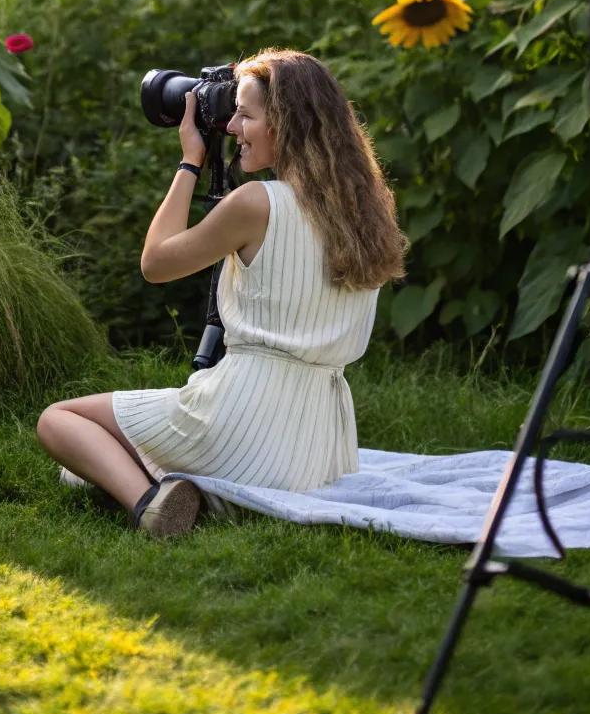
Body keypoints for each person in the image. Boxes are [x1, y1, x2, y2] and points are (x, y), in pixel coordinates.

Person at [36, 47, 407, 538]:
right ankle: (178, 487)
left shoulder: (256, 203)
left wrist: (191, 161)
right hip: (319, 448)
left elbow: (155, 262)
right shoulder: (367, 213)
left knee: (60, 421)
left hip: (238, 422)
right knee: (98, 454)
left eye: (245, 115)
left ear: (285, 125)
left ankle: (150, 504)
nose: (231, 128)